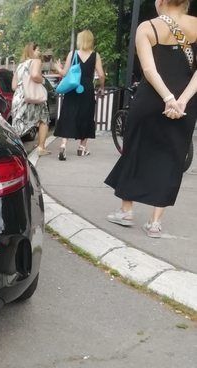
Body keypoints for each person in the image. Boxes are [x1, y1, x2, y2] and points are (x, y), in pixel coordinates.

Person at [105, 0, 197, 238]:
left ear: (162, 1)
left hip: (151, 100)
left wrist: (167, 98)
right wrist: (182, 100)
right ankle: (155, 223)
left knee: (135, 151)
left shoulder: (147, 27)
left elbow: (149, 69)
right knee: (173, 157)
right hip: (186, 102)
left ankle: (126, 211)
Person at [53, 30, 105, 160]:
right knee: (86, 116)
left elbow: (65, 73)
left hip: (72, 89)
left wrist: (59, 68)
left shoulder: (73, 54)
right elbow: (102, 75)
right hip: (86, 89)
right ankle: (82, 147)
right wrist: (102, 87)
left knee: (68, 114)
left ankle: (64, 145)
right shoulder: (95, 55)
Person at [11, 43, 51, 156]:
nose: (39, 53)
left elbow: (13, 86)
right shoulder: (36, 61)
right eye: (38, 50)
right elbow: (34, 75)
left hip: (19, 97)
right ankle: (41, 147)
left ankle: (14, 150)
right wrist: (42, 80)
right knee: (44, 119)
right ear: (32, 51)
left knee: (17, 125)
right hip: (33, 96)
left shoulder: (19, 66)